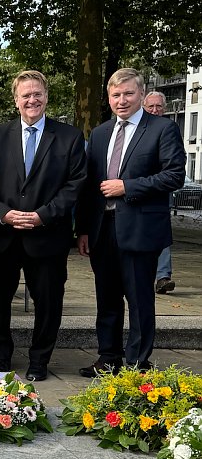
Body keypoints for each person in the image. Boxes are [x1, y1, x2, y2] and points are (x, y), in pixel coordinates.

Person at [76, 68, 185, 376]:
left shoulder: (162, 129)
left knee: (138, 299)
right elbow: (88, 186)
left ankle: (137, 363)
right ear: (109, 98)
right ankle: (108, 358)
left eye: (128, 94)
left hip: (140, 228)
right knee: (106, 297)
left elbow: (175, 175)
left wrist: (128, 186)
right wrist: (82, 229)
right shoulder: (99, 133)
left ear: (140, 94)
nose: (121, 100)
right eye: (115, 95)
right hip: (102, 229)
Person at [0, 70, 86, 382]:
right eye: (25, 95)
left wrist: (43, 214)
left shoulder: (69, 137)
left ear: (46, 97)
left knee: (49, 303)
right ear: (16, 100)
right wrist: (3, 213)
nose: (32, 100)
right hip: (4, 237)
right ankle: (1, 357)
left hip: (47, 236)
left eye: (37, 94)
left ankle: (40, 360)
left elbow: (75, 184)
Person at [143, 91, 176, 295]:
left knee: (161, 235)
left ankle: (163, 276)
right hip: (135, 194)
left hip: (161, 194)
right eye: (151, 107)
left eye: (159, 107)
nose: (155, 110)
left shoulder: (169, 130)